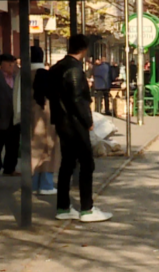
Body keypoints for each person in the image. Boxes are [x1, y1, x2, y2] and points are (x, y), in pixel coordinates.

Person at [48, 35, 112, 222]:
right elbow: (77, 98)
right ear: (84, 49)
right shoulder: (74, 70)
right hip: (74, 122)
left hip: (61, 120)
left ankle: (63, 207)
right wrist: (87, 120)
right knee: (86, 163)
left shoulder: (57, 68)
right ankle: (87, 208)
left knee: (67, 163)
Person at [30, 45, 59, 195]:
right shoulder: (44, 74)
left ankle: (33, 183)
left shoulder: (22, 74)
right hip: (45, 116)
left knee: (33, 150)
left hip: (28, 117)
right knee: (48, 149)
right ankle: (46, 184)